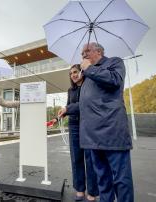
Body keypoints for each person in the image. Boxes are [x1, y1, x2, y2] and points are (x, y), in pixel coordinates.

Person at [58, 42, 134, 202]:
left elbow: (114, 80)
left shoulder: (114, 62)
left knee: (121, 180)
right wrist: (67, 109)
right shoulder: (87, 77)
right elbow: (87, 102)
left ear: (98, 51)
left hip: (112, 134)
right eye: (82, 53)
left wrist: (89, 69)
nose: (83, 55)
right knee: (103, 181)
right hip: (92, 138)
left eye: (86, 51)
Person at [59, 64, 99, 201]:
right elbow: (69, 107)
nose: (73, 75)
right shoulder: (70, 90)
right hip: (74, 126)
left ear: (82, 71)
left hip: (88, 126)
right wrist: (62, 113)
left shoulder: (90, 86)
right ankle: (80, 189)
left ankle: (92, 192)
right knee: (76, 159)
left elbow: (84, 104)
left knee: (90, 159)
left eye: (75, 72)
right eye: (71, 74)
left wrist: (68, 108)